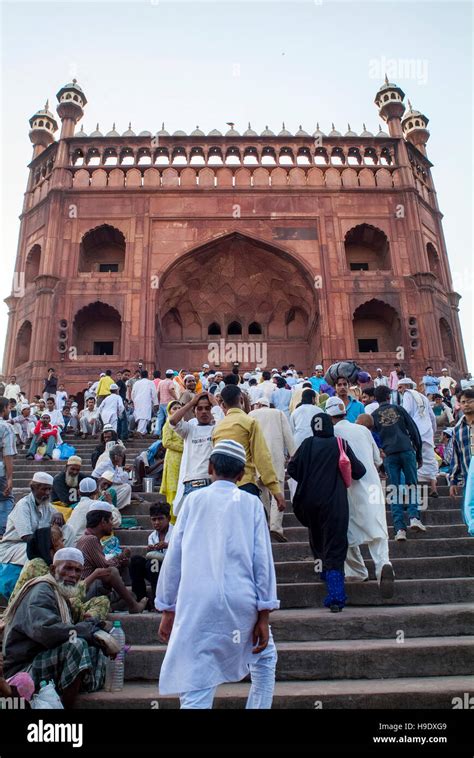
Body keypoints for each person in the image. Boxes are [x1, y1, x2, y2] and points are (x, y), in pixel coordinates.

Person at [157, 439, 279, 709]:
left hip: (197, 603)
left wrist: (167, 608)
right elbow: (263, 563)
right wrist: (264, 613)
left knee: (196, 676)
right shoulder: (251, 504)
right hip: (242, 602)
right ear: (240, 474)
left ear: (210, 468)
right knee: (265, 657)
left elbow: (173, 558)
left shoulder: (192, 502)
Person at [2, 547, 112, 707]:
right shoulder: (42, 590)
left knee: (95, 646)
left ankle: (73, 686)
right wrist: (89, 630)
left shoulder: (58, 592)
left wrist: (96, 632)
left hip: (41, 658)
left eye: (77, 570)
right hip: (22, 669)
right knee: (76, 645)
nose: (73, 575)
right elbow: (47, 631)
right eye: (67, 568)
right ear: (53, 569)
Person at [287, 413, 366, 612]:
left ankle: (321, 570)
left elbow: (293, 469)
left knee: (317, 537)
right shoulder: (340, 443)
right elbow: (359, 471)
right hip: (335, 502)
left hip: (309, 502)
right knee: (336, 545)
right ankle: (336, 596)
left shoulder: (306, 444)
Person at [325, 397, 394, 598]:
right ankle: (383, 566)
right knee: (378, 528)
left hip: (347, 488)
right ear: (345, 413)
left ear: (329, 418)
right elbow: (376, 459)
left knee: (345, 530)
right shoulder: (363, 430)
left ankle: (356, 571)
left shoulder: (332, 433)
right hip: (372, 484)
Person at [212, 385, 286, 509]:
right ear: (241, 400)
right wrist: (275, 490)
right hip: (245, 485)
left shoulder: (217, 428)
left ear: (223, 405)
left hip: (221, 490)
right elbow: (262, 457)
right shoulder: (249, 422)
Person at [372, 386, 424, 541]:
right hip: (406, 449)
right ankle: (414, 517)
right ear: (389, 396)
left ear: (376, 399)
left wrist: (380, 464)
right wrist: (419, 454)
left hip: (389, 454)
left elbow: (374, 441)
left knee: (394, 490)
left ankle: (399, 529)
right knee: (412, 484)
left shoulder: (374, 415)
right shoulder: (398, 409)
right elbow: (414, 431)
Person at [0, 472, 64, 599]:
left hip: (36, 545)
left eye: (49, 489)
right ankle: (23, 593)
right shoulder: (23, 505)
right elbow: (27, 537)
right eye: (44, 489)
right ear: (33, 488)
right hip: (13, 547)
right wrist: (48, 547)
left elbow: (60, 524)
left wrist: (59, 515)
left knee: (68, 530)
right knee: (36, 557)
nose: (47, 493)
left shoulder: (47, 505)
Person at [76, 504, 147, 613]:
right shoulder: (90, 539)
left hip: (93, 589)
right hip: (84, 590)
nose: (112, 524)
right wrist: (121, 557)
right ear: (103, 522)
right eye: (110, 520)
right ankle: (134, 607)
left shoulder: (88, 538)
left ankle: (108, 607)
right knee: (112, 572)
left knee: (131, 595)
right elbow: (107, 568)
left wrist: (121, 561)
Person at [249, 398, 295, 542]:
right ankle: (275, 525)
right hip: (275, 456)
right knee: (277, 490)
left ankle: (265, 521)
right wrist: (293, 454)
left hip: (257, 457)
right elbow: (288, 435)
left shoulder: (251, 414)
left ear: (258, 405)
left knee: (261, 490)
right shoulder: (278, 413)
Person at [170, 392, 224, 516]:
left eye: (207, 408)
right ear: (194, 412)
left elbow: (224, 422)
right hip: (192, 485)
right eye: (199, 409)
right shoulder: (189, 429)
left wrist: (215, 403)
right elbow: (173, 421)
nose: (204, 412)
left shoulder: (217, 429)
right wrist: (191, 403)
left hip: (213, 484)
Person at [398, 378, 439, 498]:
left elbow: (406, 412)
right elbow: (432, 416)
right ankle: (433, 488)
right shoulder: (424, 397)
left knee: (413, 460)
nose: (399, 390)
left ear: (406, 386)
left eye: (400, 387)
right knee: (430, 458)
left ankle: (415, 491)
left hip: (415, 430)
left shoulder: (407, 395)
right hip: (427, 431)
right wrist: (433, 430)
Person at [129, 503, 172, 606]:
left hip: (171, 570)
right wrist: (150, 551)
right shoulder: (152, 536)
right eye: (154, 519)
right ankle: (141, 599)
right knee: (136, 561)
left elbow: (182, 551)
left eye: (160, 519)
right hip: (155, 570)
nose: (157, 522)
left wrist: (167, 545)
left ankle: (158, 599)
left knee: (154, 562)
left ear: (169, 518)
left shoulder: (176, 533)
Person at [64, 477, 121, 545]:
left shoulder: (76, 507)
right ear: (96, 491)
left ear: (79, 492)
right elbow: (116, 522)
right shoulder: (96, 506)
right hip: (83, 544)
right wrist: (110, 503)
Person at [159, 401, 184, 523]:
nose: (178, 410)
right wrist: (184, 448)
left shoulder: (184, 424)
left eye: (180, 408)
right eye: (175, 408)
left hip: (184, 459)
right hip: (173, 458)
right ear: (169, 411)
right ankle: (173, 519)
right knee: (173, 488)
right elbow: (166, 442)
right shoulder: (168, 424)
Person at [449, 388, 474, 497]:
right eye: (463, 402)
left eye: (470, 401)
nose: (466, 404)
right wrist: (453, 481)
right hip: (468, 481)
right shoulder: (457, 430)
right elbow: (456, 457)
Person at [91, 445, 132, 510]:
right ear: (116, 457)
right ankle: (111, 507)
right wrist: (126, 472)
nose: (123, 459)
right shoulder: (106, 465)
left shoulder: (114, 465)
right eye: (122, 456)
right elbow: (119, 481)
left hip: (104, 489)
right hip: (98, 490)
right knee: (126, 487)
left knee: (127, 486)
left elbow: (120, 478)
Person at [0, 397, 17, 537]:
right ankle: (1, 531)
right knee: (7, 498)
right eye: (9, 408)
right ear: (5, 408)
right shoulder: (6, 427)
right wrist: (10, 478)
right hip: (0, 471)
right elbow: (8, 454)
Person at [51, 455, 86, 520]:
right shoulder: (58, 479)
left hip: (76, 506)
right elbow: (65, 500)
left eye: (77, 470)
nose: (75, 472)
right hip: (60, 508)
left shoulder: (81, 477)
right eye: (72, 469)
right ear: (66, 467)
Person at [132, 370, 158, 435]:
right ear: (147, 375)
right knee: (144, 416)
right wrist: (156, 403)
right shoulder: (150, 383)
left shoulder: (136, 383)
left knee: (139, 416)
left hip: (137, 401)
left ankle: (143, 430)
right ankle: (141, 431)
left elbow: (133, 393)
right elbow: (154, 394)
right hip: (146, 401)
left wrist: (134, 400)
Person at [155, 369, 178, 438]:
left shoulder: (161, 382)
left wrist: (159, 401)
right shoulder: (171, 382)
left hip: (162, 402)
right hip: (169, 403)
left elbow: (158, 393)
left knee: (160, 419)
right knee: (168, 419)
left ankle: (157, 432)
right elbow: (171, 390)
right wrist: (176, 399)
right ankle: (166, 434)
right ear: (172, 376)